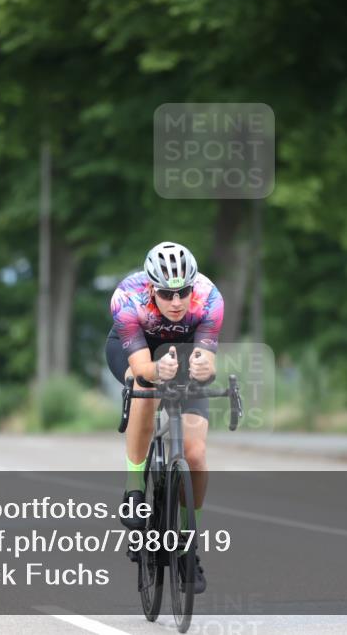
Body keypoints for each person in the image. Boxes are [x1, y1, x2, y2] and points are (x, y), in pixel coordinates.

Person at [105, 241, 224, 594]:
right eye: (166, 294)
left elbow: (208, 362)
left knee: (196, 453)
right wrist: (157, 369)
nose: (176, 302)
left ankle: (189, 544)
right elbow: (142, 366)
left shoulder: (210, 298)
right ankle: (135, 488)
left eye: (182, 292)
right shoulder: (127, 298)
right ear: (150, 288)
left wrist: (203, 366)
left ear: (193, 287)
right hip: (137, 349)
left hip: (185, 351)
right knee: (146, 385)